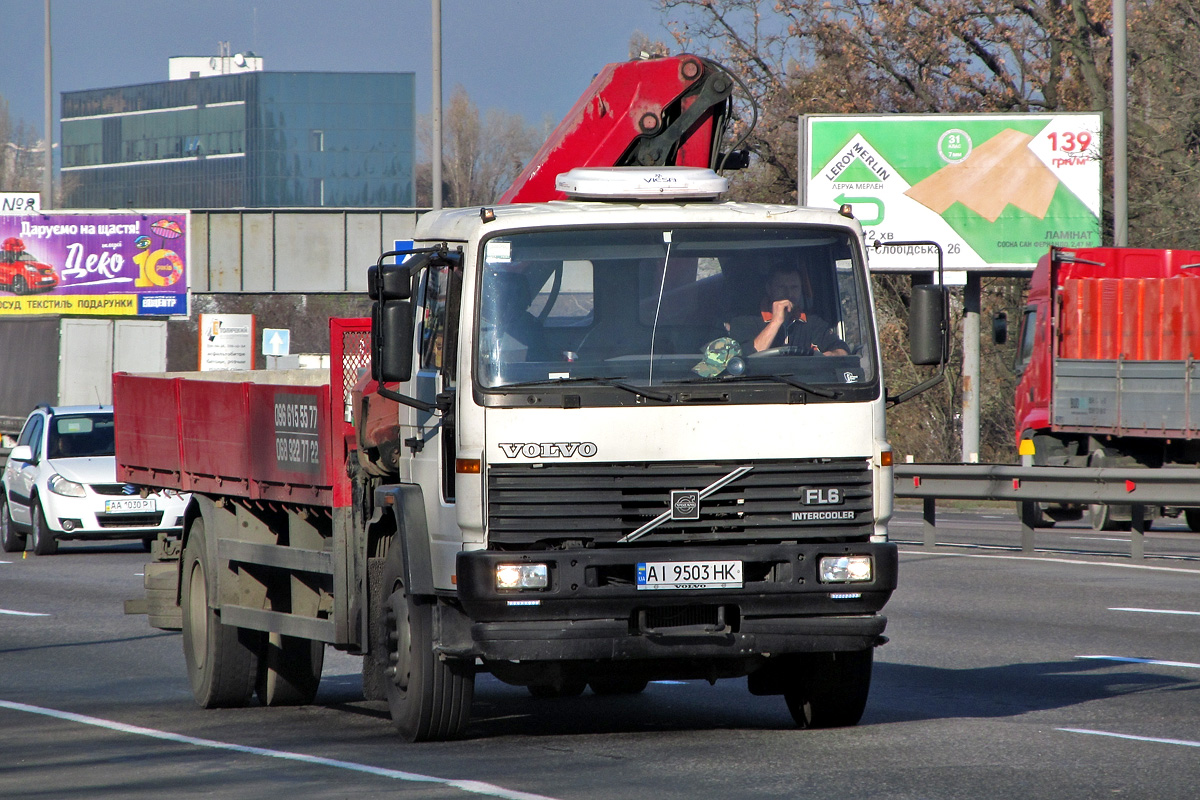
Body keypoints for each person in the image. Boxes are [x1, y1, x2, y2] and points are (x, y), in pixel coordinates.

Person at [725, 264, 849, 356]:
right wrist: (775, 322)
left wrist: (830, 356)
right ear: (769, 289)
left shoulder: (813, 323)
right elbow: (745, 358)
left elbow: (843, 350)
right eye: (781, 287)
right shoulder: (744, 321)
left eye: (794, 287)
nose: (788, 293)